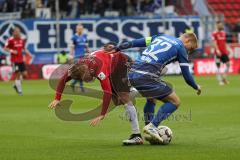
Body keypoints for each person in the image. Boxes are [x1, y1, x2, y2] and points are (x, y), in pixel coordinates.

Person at [49, 44, 143, 145]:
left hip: (121, 62)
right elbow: (63, 80)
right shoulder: (76, 68)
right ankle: (142, 90)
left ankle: (136, 135)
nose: (87, 81)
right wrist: (57, 98)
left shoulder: (99, 69)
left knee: (123, 97)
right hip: (110, 66)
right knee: (116, 101)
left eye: (87, 79)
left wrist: (102, 114)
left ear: (89, 71)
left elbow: (107, 92)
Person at [116, 33, 202, 143]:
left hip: (132, 73)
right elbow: (187, 76)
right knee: (175, 101)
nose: (189, 51)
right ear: (187, 40)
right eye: (190, 48)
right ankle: (152, 126)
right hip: (146, 75)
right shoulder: (181, 47)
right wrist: (196, 86)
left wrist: (119, 47)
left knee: (152, 98)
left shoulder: (161, 36)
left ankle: (147, 134)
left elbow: (137, 42)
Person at [4, 27, 32, 95]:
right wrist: (12, 51)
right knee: (18, 75)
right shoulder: (10, 40)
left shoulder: (21, 40)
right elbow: (5, 48)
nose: (18, 33)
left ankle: (15, 85)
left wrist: (29, 54)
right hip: (14, 61)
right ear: (13, 33)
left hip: (21, 60)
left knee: (25, 75)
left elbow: (24, 48)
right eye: (16, 32)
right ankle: (19, 91)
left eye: (19, 32)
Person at [70, 24, 89, 92]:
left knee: (82, 73)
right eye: (79, 29)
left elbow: (86, 47)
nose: (80, 30)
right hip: (76, 57)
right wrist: (71, 55)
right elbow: (72, 47)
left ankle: (73, 84)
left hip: (83, 56)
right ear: (76, 29)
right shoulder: (74, 37)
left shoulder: (84, 37)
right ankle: (82, 88)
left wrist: (90, 53)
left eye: (81, 29)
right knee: (81, 72)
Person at [212, 21, 231, 85]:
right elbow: (214, 43)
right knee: (218, 66)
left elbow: (224, 42)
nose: (221, 26)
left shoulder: (223, 33)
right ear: (217, 26)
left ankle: (224, 78)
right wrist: (217, 50)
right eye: (220, 25)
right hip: (218, 52)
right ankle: (220, 80)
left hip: (224, 52)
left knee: (228, 64)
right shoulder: (214, 33)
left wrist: (227, 49)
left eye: (221, 25)